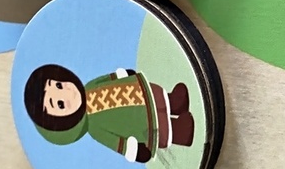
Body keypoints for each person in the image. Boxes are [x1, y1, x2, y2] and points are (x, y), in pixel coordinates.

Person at [24, 64, 195, 162]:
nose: (67, 94)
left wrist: (121, 75)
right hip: (138, 123)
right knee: (158, 126)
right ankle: (178, 132)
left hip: (136, 91)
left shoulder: (90, 86)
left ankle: (173, 102)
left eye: (59, 85)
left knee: (154, 95)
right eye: (60, 104)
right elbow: (114, 141)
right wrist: (134, 151)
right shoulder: (95, 128)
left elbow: (106, 80)